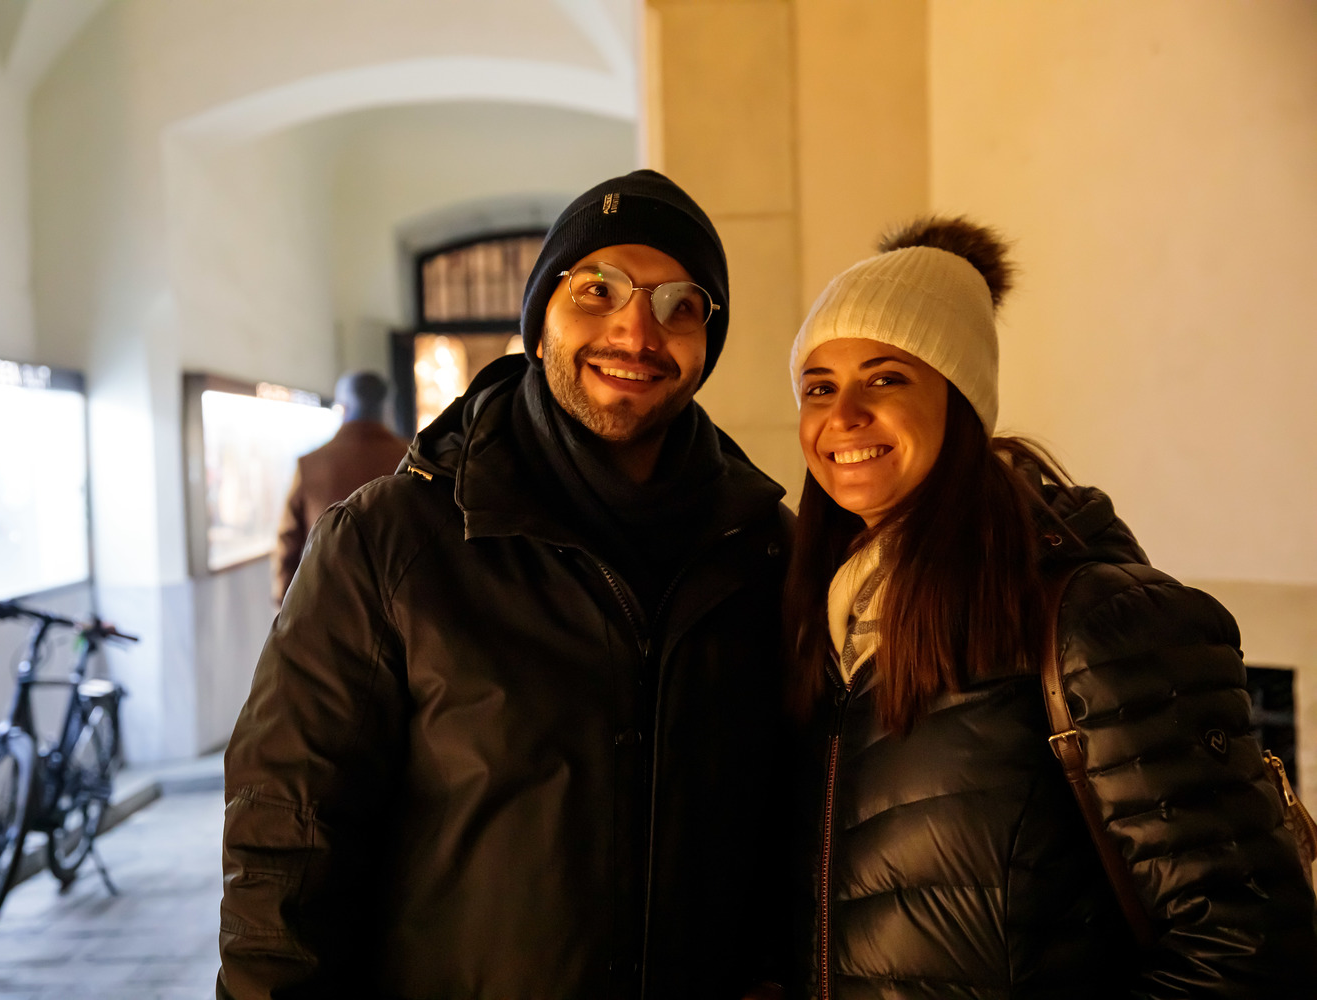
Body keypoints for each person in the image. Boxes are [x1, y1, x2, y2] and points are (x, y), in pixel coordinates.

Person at [218, 170, 791, 1000]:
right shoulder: (391, 542)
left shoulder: (761, 550)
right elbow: (287, 838)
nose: (637, 331)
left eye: (681, 305)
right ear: (539, 319)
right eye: (598, 290)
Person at [784, 216, 1317, 998]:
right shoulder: (824, 627)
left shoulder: (1093, 622)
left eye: (886, 378)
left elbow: (1247, 947)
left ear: (961, 399)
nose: (844, 415)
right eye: (818, 387)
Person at [271, 370, 409, 605]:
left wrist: (284, 603)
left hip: (330, 605)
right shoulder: (412, 459)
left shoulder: (310, 465)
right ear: (387, 408)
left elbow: (288, 543)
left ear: (343, 407)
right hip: (403, 604)